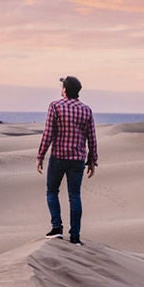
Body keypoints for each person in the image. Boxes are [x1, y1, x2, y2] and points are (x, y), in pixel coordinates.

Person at [36, 75, 97, 245]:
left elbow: (48, 134)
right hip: (77, 160)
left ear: (65, 90)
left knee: (52, 191)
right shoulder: (86, 110)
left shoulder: (55, 106)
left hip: (58, 157)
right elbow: (92, 137)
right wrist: (92, 160)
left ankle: (57, 228)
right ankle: (75, 236)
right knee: (75, 196)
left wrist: (40, 156)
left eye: (62, 86)